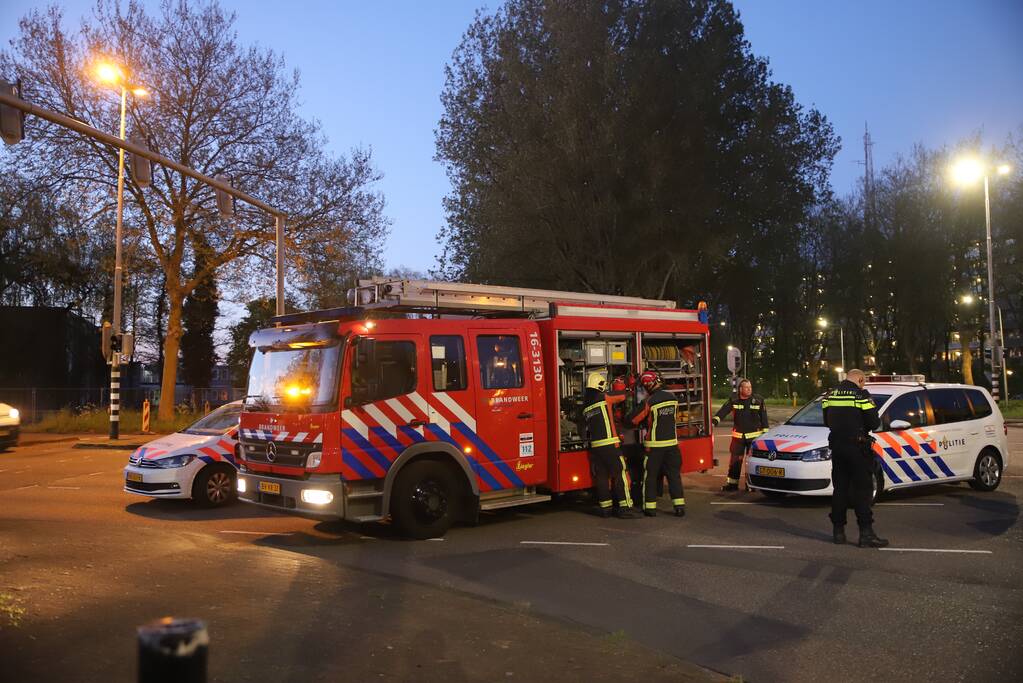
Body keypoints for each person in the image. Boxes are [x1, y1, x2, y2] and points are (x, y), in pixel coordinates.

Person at [822, 368, 889, 548]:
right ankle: (866, 534)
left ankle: (838, 533)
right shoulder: (861, 396)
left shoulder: (830, 395)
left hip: (837, 447)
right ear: (860, 379)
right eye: (864, 381)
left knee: (840, 490)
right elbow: (874, 423)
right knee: (862, 490)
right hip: (857, 448)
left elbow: (826, 421)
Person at [630, 370, 685, 517]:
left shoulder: (650, 401)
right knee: (674, 476)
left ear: (647, 386)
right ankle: (679, 507)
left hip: (654, 447)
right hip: (672, 446)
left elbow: (634, 419)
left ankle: (650, 508)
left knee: (650, 477)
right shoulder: (673, 398)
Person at [582, 371, 636, 518]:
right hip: (610, 444)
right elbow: (622, 396)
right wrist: (630, 388)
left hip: (596, 447)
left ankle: (606, 508)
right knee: (621, 474)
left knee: (602, 477)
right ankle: (625, 508)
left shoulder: (586, 407)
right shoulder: (603, 397)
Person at [712, 378, 768, 491]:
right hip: (738, 438)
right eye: (746, 387)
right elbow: (723, 411)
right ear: (740, 389)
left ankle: (751, 485)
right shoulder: (734, 400)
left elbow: (764, 418)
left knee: (751, 462)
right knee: (735, 462)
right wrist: (714, 422)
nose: (749, 389)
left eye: (750, 387)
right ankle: (732, 484)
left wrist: (765, 435)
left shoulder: (758, 400)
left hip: (754, 438)